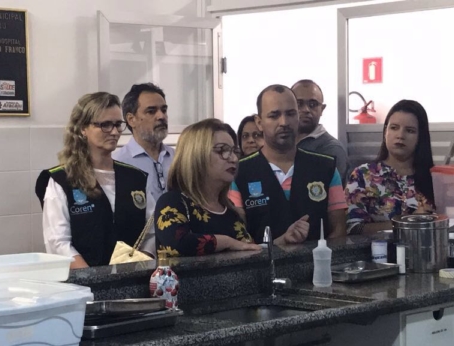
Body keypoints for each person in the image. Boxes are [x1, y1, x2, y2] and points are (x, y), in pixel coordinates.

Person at [36, 92, 153, 268]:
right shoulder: (62, 179)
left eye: (118, 124)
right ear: (83, 128)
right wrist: (94, 278)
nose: (114, 132)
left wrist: (142, 263)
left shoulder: (135, 178)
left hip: (133, 277)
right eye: (105, 125)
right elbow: (58, 243)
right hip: (84, 279)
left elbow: (151, 231)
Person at [229, 84, 348, 246]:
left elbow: (339, 230)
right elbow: (238, 240)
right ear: (259, 122)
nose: (284, 122)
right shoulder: (239, 172)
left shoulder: (326, 168)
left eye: (290, 114)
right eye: (274, 115)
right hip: (260, 262)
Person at [154, 119, 261, 257]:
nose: (234, 158)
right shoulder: (173, 201)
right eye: (223, 150)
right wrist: (228, 242)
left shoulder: (230, 210)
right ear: (196, 155)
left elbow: (250, 250)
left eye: (234, 151)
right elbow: (177, 243)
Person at [345, 99, 436, 235]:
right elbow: (353, 229)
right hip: (376, 248)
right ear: (385, 132)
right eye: (394, 128)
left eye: (410, 131)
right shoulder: (363, 175)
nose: (400, 135)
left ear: (420, 137)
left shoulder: (435, 179)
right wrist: (409, 222)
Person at [113, 83, 172, 203]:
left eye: (164, 110)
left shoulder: (179, 159)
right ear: (131, 119)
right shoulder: (118, 163)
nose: (161, 116)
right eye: (151, 111)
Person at [293, 79, 349, 185]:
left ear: (322, 109)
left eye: (312, 104)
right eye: (299, 104)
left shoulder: (332, 149)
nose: (306, 109)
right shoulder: (282, 142)